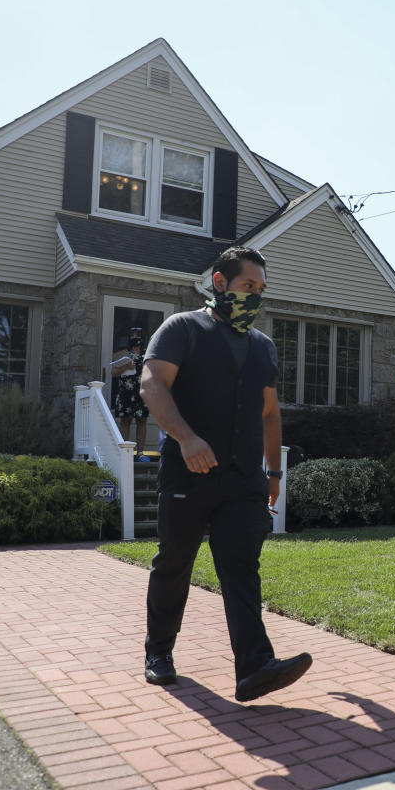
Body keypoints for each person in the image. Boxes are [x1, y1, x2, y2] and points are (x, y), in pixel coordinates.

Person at [139, 246, 311, 703]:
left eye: (261, 290)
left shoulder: (262, 346)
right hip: (188, 473)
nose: (255, 297)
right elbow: (151, 384)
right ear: (220, 283)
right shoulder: (182, 328)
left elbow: (269, 413)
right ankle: (158, 652)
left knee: (240, 568)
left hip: (243, 480)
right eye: (246, 286)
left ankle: (254, 667)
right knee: (175, 563)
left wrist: (274, 471)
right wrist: (186, 438)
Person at [110, 328, 151, 461]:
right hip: (125, 393)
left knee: (142, 422)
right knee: (125, 422)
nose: (135, 338)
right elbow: (113, 373)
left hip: (142, 393)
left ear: (142, 338)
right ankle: (124, 454)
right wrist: (126, 367)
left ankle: (140, 453)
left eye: (137, 335)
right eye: (132, 335)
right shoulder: (123, 354)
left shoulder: (148, 354)